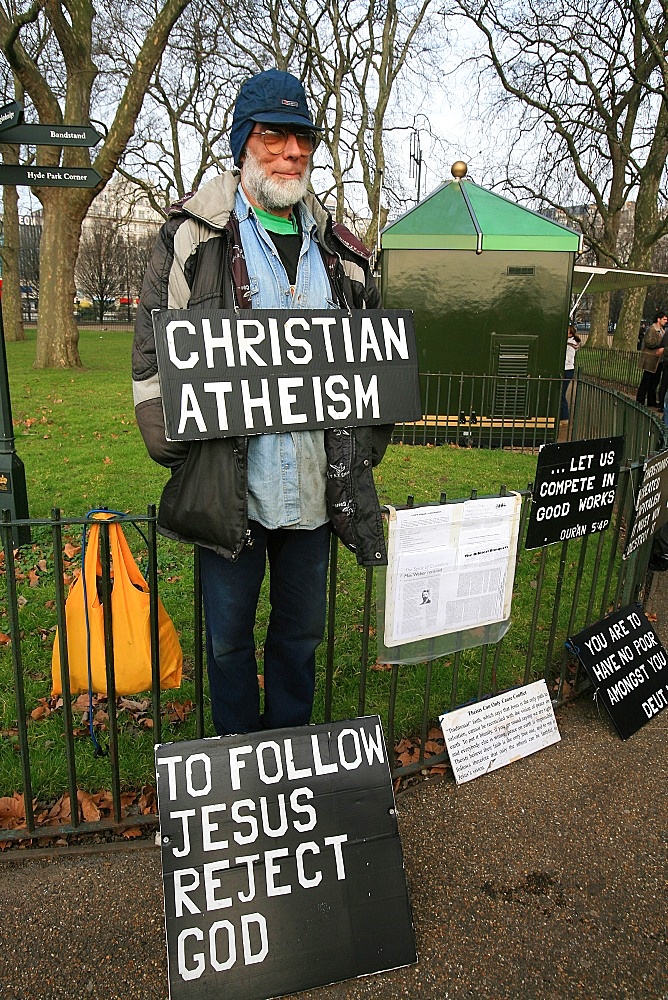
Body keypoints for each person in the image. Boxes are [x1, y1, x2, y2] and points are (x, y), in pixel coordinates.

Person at [132, 69, 392, 736]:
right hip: (231, 487)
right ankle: (237, 762)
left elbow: (375, 360)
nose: (292, 153)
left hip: (312, 490)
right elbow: (152, 342)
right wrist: (165, 431)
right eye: (274, 137)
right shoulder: (193, 235)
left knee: (300, 639)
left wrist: (367, 443)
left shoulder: (342, 249)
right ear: (244, 143)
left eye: (302, 139)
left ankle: (291, 755)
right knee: (225, 643)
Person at [636, 311, 667, 408]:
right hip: (651, 359)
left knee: (655, 382)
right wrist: (661, 345)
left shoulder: (662, 330)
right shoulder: (652, 329)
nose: (666, 321)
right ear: (659, 319)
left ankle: (651, 401)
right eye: (664, 319)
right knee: (646, 380)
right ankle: (640, 400)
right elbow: (649, 342)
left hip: (659, 360)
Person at [561, 323, 580, 421]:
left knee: (561, 394)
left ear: (570, 334)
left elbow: (568, 358)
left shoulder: (571, 344)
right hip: (566, 369)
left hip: (567, 370)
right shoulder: (567, 342)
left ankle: (564, 417)